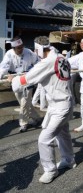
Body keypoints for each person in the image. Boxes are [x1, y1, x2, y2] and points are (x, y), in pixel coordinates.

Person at [9, 36, 76, 184]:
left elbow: (22, 82)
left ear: (39, 48)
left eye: (35, 49)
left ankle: (50, 170)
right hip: (62, 103)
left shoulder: (48, 62)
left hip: (60, 106)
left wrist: (12, 80)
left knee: (44, 140)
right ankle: (69, 160)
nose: (34, 51)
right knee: (63, 134)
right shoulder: (60, 57)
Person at [0, 36, 39, 132]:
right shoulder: (9, 54)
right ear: (13, 48)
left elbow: (38, 63)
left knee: (24, 103)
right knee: (25, 103)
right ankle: (37, 118)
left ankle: (23, 123)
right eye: (18, 48)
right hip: (15, 80)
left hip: (27, 79)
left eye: (22, 46)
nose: (21, 49)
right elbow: (3, 67)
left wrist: (33, 72)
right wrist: (3, 75)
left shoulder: (29, 52)